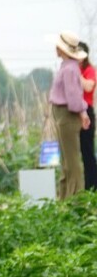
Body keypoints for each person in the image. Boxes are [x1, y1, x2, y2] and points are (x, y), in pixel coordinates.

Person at [48, 32, 92, 200]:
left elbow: (73, 98)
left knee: (71, 161)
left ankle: (76, 199)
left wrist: (82, 112)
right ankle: (66, 197)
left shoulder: (69, 69)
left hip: (67, 115)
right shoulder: (68, 67)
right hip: (64, 114)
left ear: (62, 49)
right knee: (67, 161)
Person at [79, 41, 96, 191]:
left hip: (87, 111)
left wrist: (76, 75)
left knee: (88, 151)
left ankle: (92, 185)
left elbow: (89, 86)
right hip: (75, 112)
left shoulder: (89, 70)